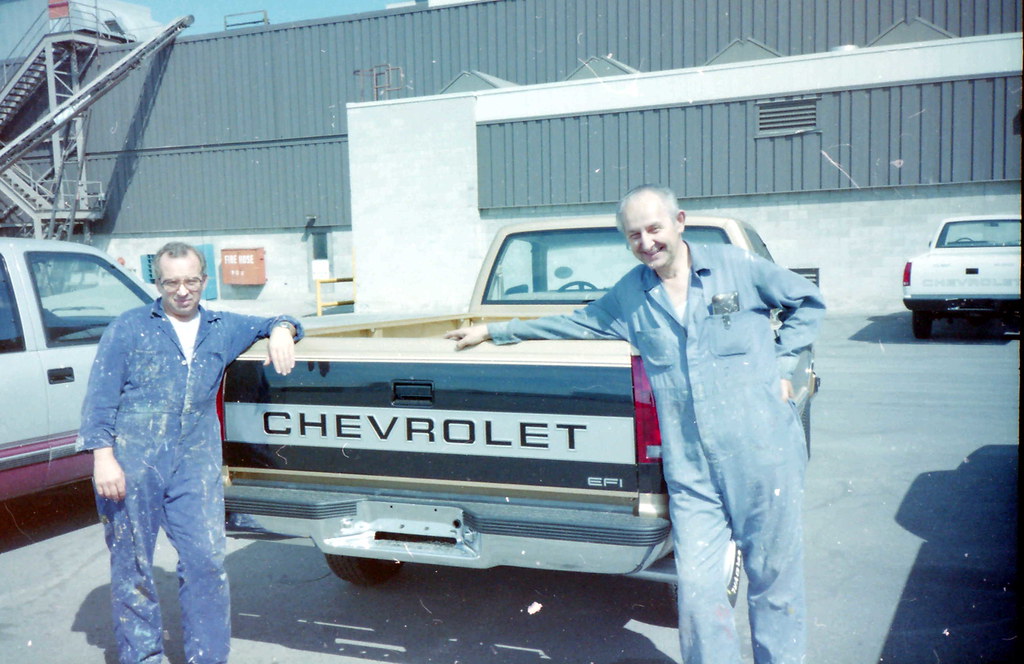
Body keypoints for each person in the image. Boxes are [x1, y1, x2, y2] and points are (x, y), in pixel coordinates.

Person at [446, 185, 825, 664]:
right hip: (692, 472)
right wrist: (494, 332)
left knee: (774, 582)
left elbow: (807, 300)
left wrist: (782, 363)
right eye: (634, 234)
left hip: (763, 454)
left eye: (654, 228)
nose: (646, 242)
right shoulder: (632, 293)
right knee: (698, 592)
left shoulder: (735, 266)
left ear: (679, 222)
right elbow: (575, 322)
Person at [78, 241, 303, 664]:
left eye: (191, 281)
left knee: (207, 561)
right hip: (133, 459)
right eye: (171, 282)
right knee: (134, 566)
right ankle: (143, 657)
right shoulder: (128, 328)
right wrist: (102, 457)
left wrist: (281, 330)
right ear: (158, 283)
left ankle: (209, 657)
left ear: (204, 280)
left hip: (196, 461)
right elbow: (100, 399)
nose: (182, 291)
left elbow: (279, 319)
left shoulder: (222, 324)